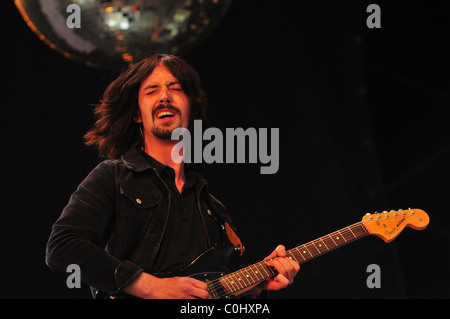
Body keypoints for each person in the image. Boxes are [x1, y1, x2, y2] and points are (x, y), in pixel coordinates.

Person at [45, 54, 299, 299]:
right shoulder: (113, 177)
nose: (164, 96)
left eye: (175, 89)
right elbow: (63, 248)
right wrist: (151, 287)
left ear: (192, 107)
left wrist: (255, 287)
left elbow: (211, 293)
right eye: (152, 90)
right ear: (136, 114)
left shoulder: (213, 208)